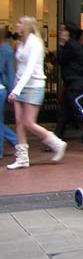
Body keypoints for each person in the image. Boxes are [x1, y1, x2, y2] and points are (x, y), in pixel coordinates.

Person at [6, 17, 68, 169]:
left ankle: (57, 143)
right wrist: (15, 87)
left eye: (20, 22)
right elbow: (19, 68)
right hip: (21, 85)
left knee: (28, 122)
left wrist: (16, 89)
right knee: (19, 122)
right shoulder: (21, 43)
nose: (17, 24)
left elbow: (29, 69)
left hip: (34, 86)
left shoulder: (35, 43)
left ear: (27, 26)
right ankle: (22, 158)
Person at [54, 22, 83, 140]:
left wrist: (61, 45)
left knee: (78, 112)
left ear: (68, 32)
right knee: (64, 113)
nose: (61, 32)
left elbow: (61, 59)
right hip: (73, 83)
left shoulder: (70, 46)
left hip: (74, 83)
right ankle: (56, 139)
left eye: (63, 30)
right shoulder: (74, 45)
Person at [0, 26, 17, 158]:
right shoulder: (7, 48)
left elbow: (9, 71)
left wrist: (12, 91)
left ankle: (15, 141)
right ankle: (15, 140)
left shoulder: (5, 49)